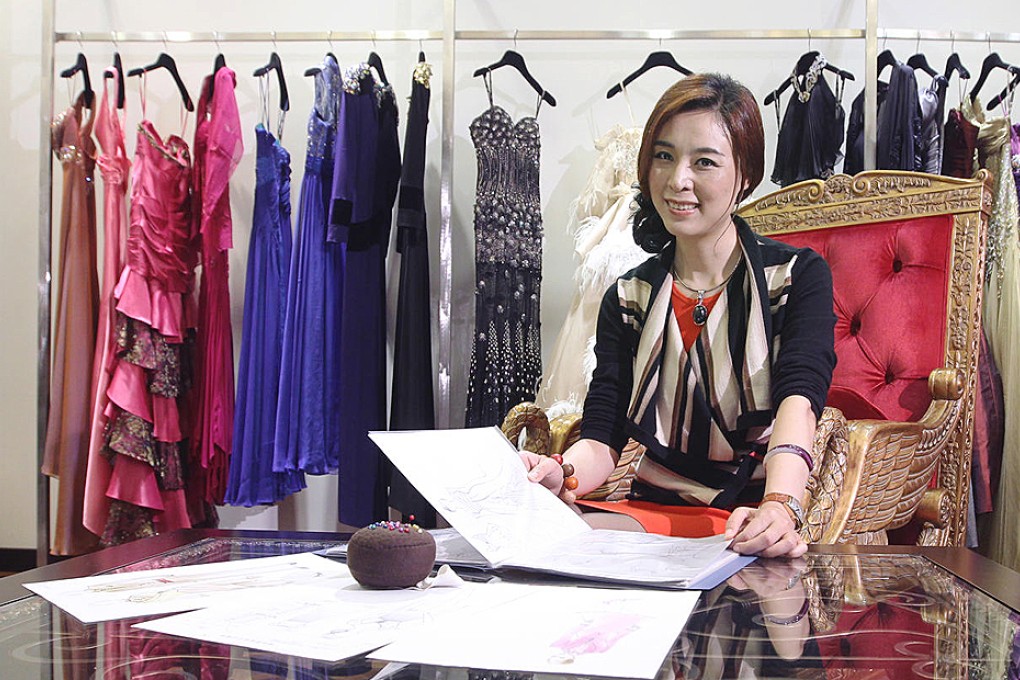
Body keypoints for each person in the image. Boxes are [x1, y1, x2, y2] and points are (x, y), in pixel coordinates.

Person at [520, 73, 836, 558]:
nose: (677, 179)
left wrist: (780, 504)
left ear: (745, 177)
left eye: (704, 162)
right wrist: (560, 472)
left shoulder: (796, 277)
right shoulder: (629, 296)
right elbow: (603, 434)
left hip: (750, 517)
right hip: (651, 517)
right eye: (664, 157)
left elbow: (801, 396)